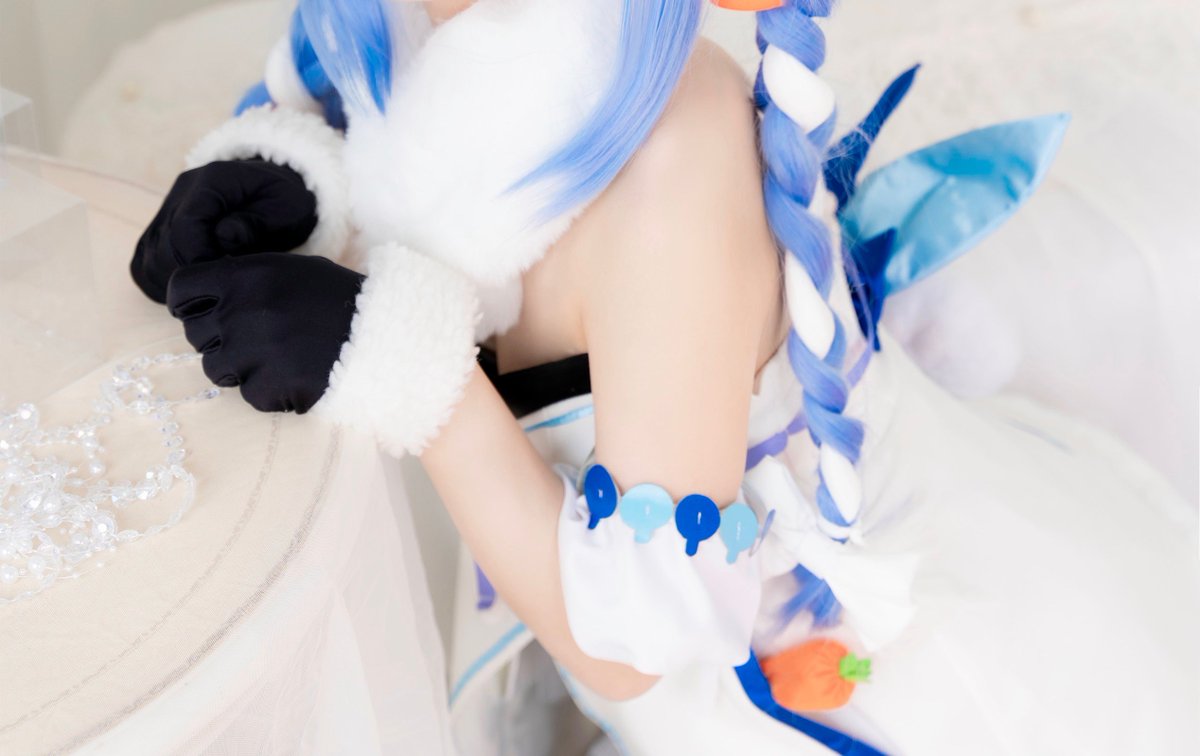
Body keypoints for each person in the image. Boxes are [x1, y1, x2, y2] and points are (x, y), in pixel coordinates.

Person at [129, 0, 1199, 752]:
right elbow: (415, 174)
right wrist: (291, 185)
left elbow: (630, 644)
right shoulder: (426, 29)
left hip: (861, 685)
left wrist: (403, 367)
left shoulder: (670, 165)